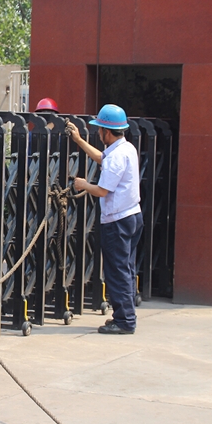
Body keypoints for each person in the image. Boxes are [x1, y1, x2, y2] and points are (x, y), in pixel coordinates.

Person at [66, 104, 142, 335]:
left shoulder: (117, 156)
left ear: (107, 132)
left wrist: (83, 185)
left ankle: (125, 321)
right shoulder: (126, 148)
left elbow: (102, 190)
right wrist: (79, 140)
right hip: (132, 216)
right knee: (126, 268)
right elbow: (102, 158)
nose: (98, 133)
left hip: (117, 221)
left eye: (99, 129)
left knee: (117, 271)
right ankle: (124, 315)